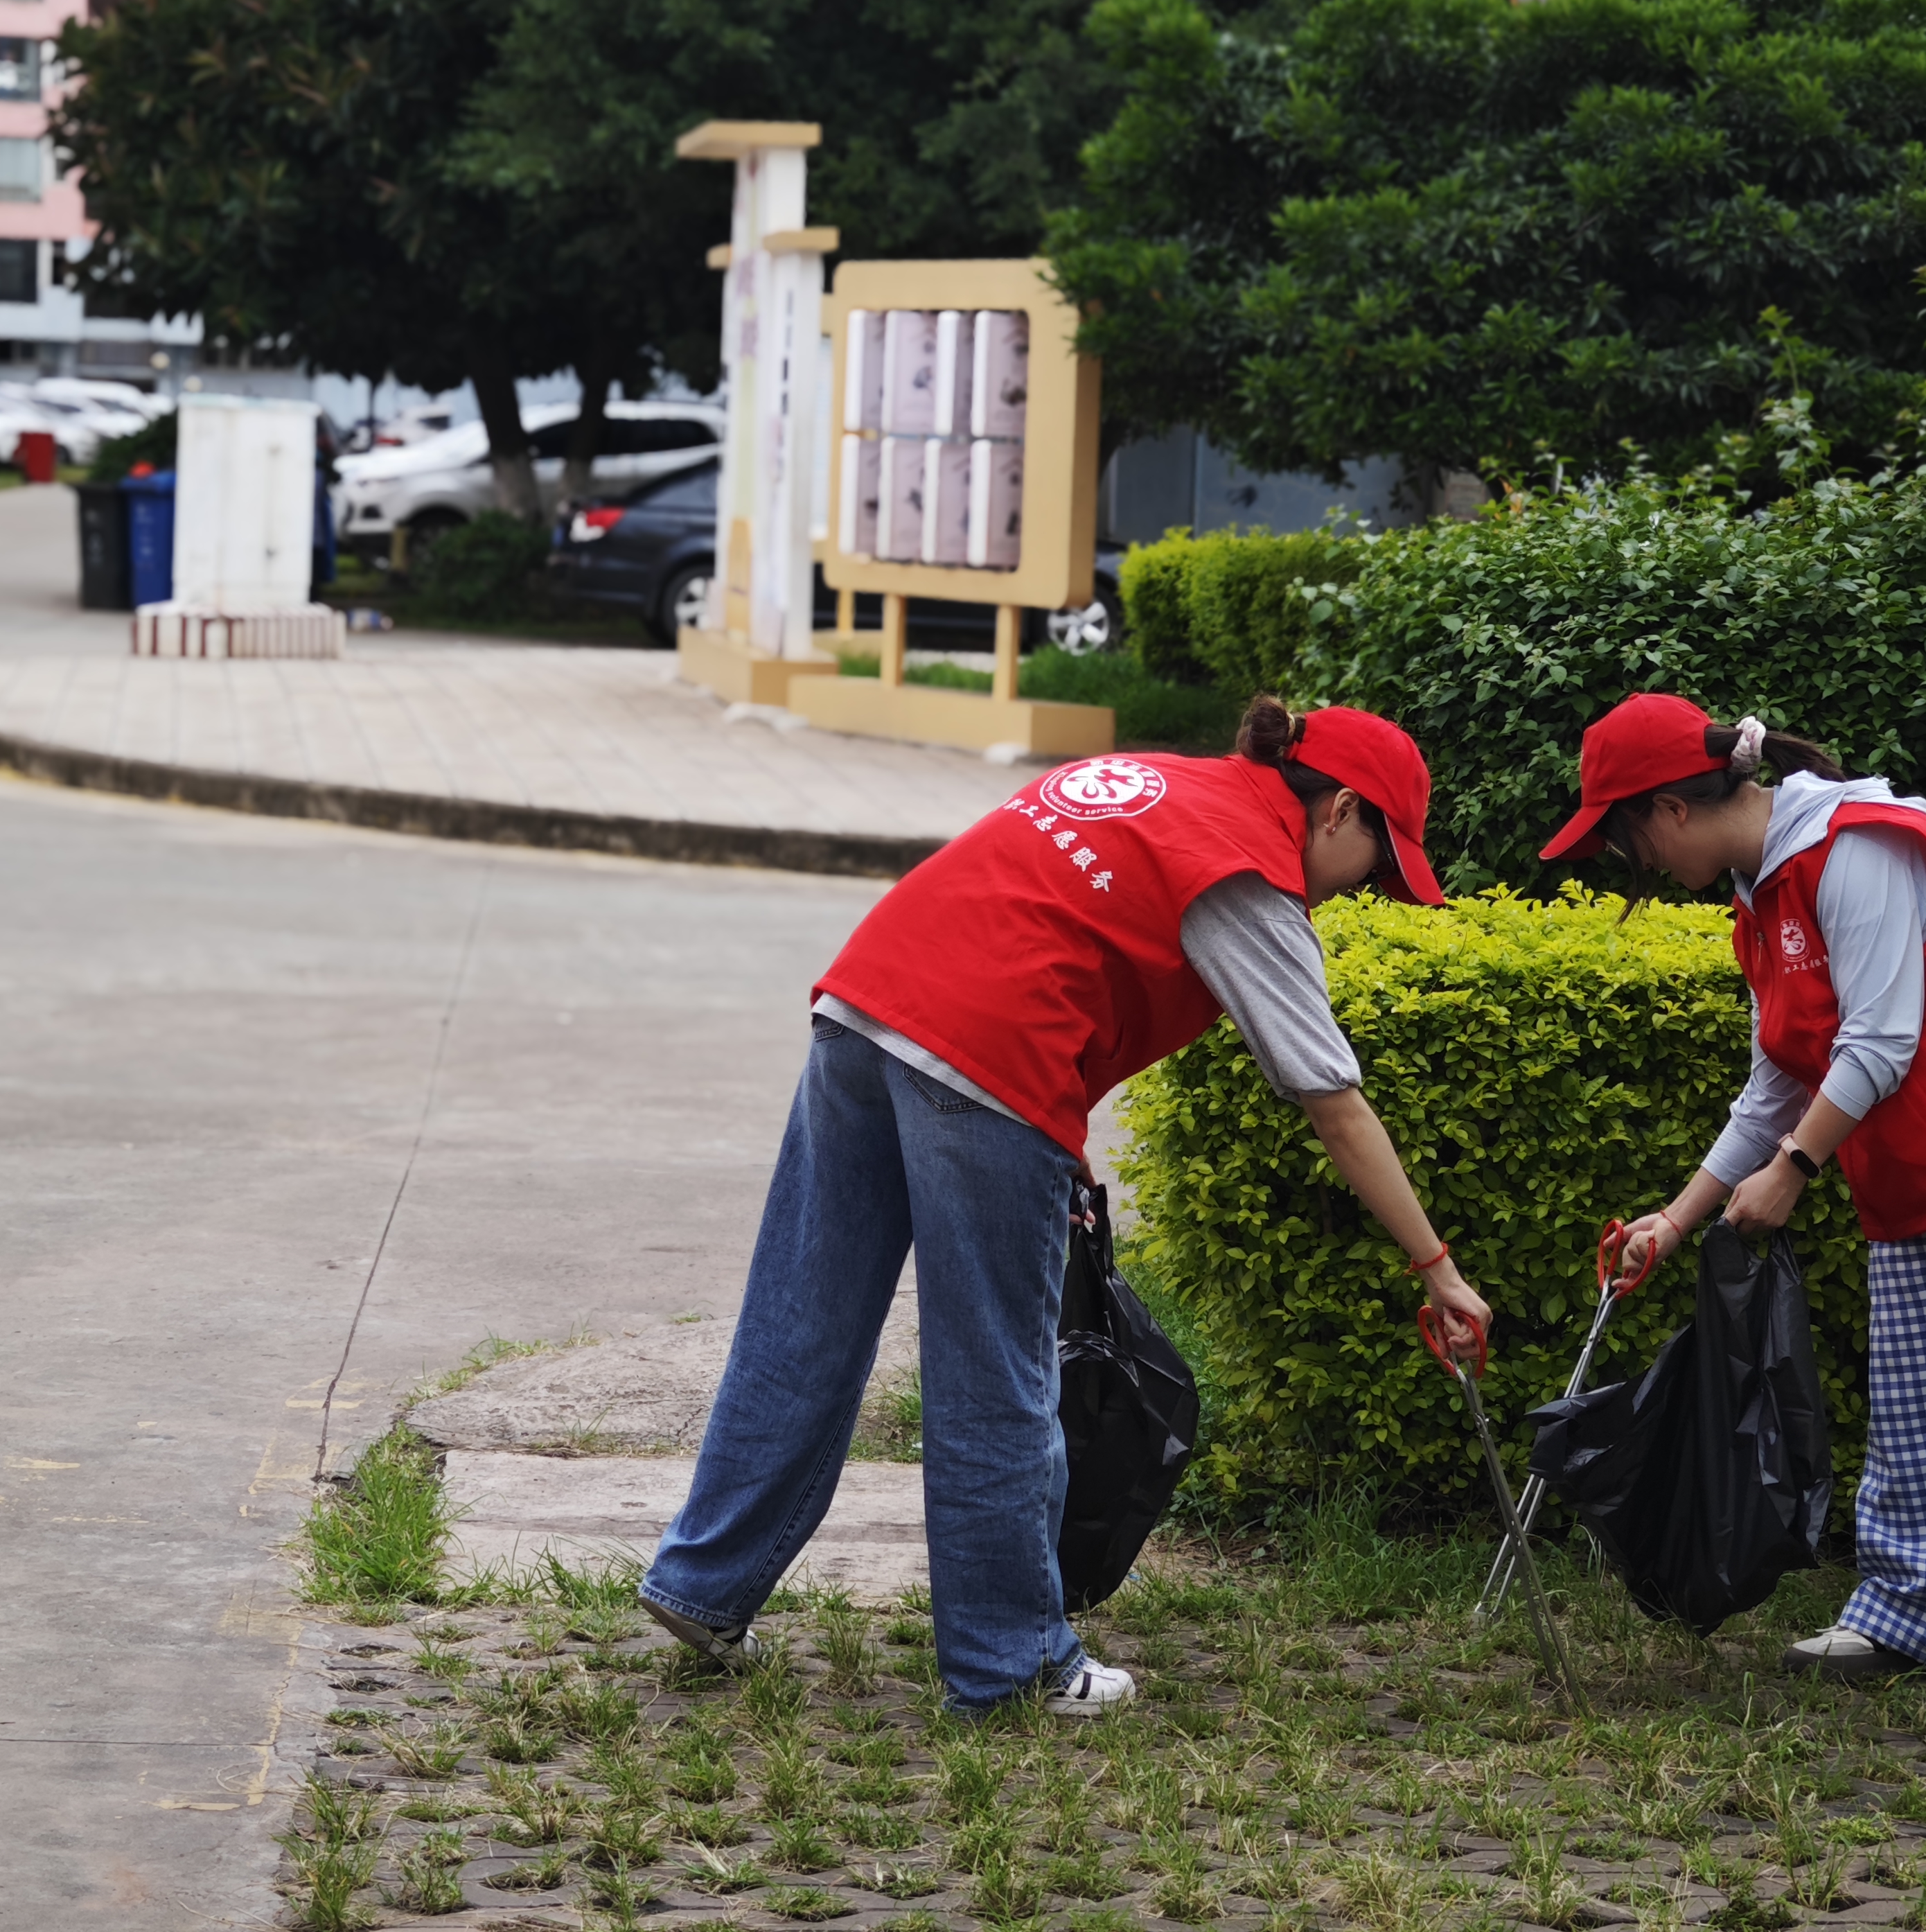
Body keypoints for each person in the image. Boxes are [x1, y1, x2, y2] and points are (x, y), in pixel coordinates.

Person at [639, 698, 1493, 1716]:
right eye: (1378, 863)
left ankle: (703, 1584)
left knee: (804, 1319)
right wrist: (1437, 1268)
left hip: (865, 1007)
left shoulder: (1161, 781)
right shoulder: (1246, 872)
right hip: (989, 1066)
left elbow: (1047, 920)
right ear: (1342, 809)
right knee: (997, 1373)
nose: (1362, 890)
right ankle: (1012, 1665)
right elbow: (1334, 1102)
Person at [1542, 694, 1926, 1732]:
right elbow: (1777, 1081)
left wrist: (1795, 1169)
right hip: (1915, 1163)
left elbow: (1880, 1039)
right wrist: (1676, 1220)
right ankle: (1910, 1616)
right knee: (1913, 1394)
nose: (1636, 864)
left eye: (1627, 840)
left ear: (1669, 810)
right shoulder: (1761, 896)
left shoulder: (1856, 847)